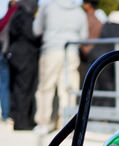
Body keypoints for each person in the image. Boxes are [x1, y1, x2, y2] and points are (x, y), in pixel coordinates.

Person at [32, 0, 88, 133]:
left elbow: (36, 30)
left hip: (51, 49)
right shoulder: (80, 12)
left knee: (46, 88)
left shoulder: (47, 7)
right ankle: (67, 125)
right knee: (68, 88)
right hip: (72, 51)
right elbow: (84, 36)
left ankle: (44, 123)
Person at [87, 4, 119, 107]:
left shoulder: (108, 22)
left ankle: (102, 116)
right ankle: (114, 114)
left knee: (103, 87)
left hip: (101, 55)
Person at [8, 0, 40, 130]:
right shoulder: (25, 16)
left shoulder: (15, 14)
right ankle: (22, 122)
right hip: (25, 57)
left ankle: (19, 120)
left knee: (18, 90)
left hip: (16, 55)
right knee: (24, 90)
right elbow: (32, 35)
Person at [0, 0, 19, 122]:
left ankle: (5, 115)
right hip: (7, 53)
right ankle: (8, 114)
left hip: (0, 53)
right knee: (10, 84)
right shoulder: (14, 15)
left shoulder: (2, 19)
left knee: (3, 84)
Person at [79, 0, 104, 85]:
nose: (82, 5)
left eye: (85, 2)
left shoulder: (85, 18)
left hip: (85, 55)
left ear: (89, 4)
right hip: (97, 53)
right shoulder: (100, 19)